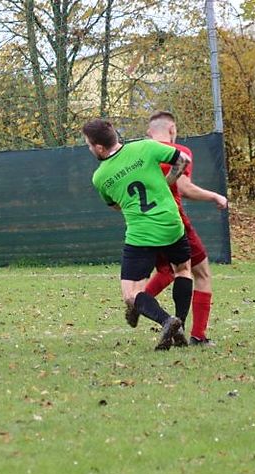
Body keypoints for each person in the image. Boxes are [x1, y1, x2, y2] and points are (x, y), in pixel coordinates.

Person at [82, 118, 192, 351]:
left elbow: (115, 205)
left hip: (141, 234)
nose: (89, 149)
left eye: (89, 145)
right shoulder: (146, 146)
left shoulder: (100, 177)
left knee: (131, 295)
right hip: (171, 223)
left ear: (99, 148)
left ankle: (167, 321)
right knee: (183, 270)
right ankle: (180, 325)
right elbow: (183, 159)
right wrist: (166, 183)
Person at [125, 111, 228, 347]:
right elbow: (184, 188)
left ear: (149, 133)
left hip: (143, 225)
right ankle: (197, 335)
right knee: (200, 274)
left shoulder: (138, 155)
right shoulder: (178, 152)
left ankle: (139, 304)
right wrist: (215, 196)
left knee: (165, 272)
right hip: (173, 222)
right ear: (172, 129)